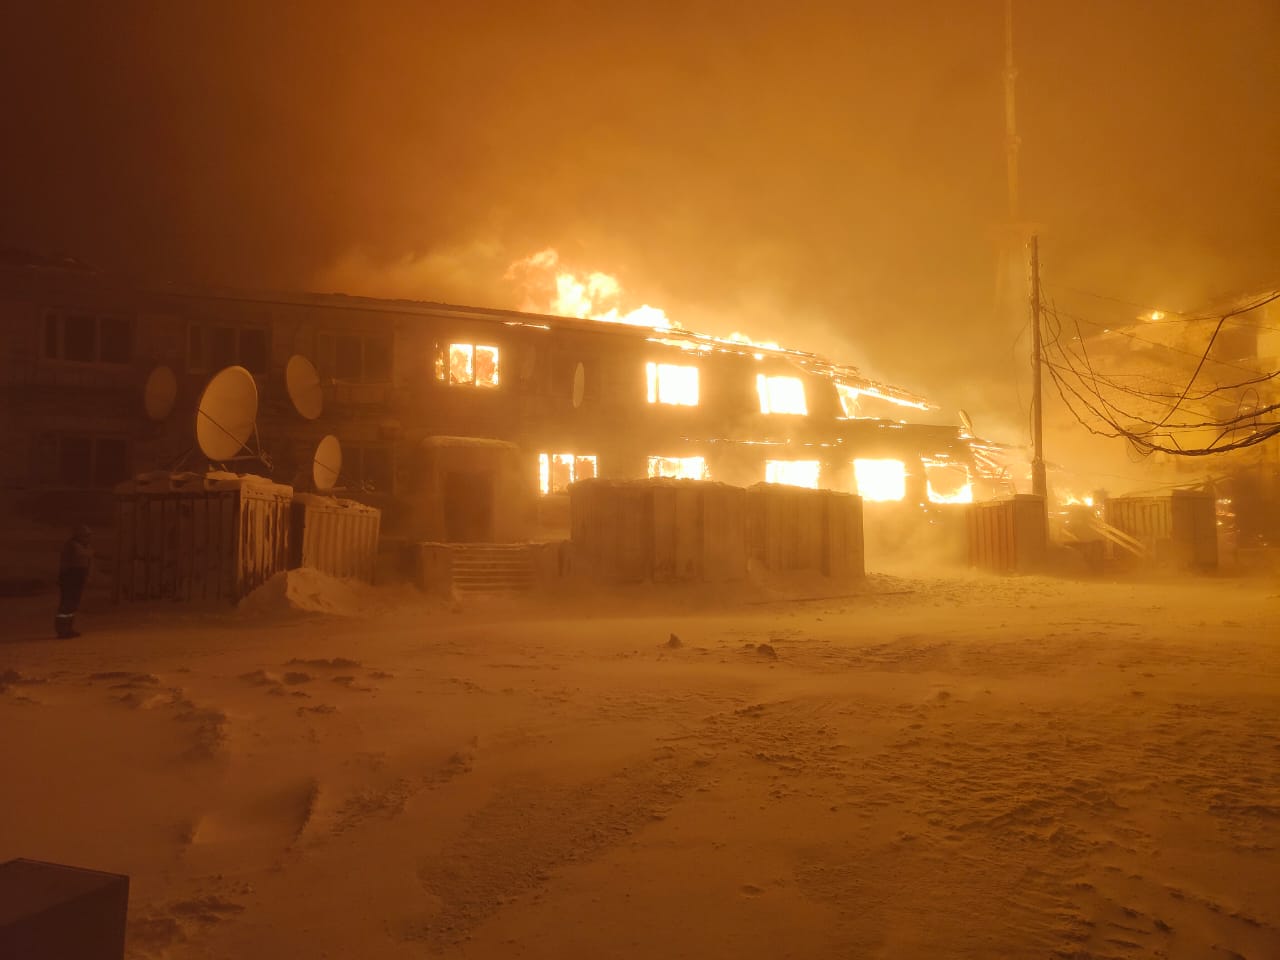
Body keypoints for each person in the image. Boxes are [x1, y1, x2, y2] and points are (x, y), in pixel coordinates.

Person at [55, 524, 93, 638]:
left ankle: (68, 628)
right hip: (70, 578)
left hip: (77, 578)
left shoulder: (82, 546)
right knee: (67, 605)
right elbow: (81, 555)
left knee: (72, 605)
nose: (88, 538)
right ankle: (62, 629)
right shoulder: (73, 546)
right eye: (86, 535)